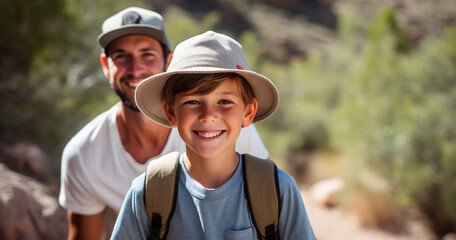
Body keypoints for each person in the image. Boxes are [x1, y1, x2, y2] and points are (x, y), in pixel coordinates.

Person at [58, 7, 269, 240]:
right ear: (106, 65)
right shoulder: (83, 154)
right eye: (121, 56)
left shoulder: (223, 130)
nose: (136, 68)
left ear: (169, 61)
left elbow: (267, 196)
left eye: (147, 54)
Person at [110, 30, 316, 239]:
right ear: (171, 112)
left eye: (225, 101)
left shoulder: (277, 189)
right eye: (192, 102)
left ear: (248, 112)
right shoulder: (147, 192)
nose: (208, 116)